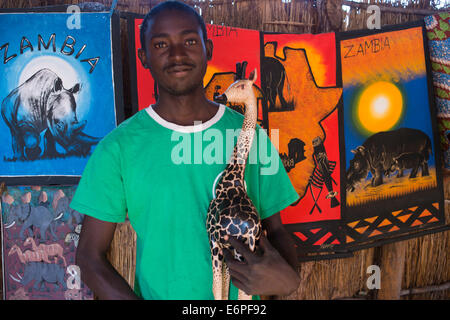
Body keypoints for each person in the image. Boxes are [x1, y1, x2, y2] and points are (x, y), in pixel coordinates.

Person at [71, 0, 301, 300]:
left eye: (189, 41)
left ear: (208, 49)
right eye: (161, 44)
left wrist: (288, 277)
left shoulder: (250, 136)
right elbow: (89, 257)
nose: (177, 54)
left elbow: (277, 229)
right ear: (144, 57)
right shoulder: (118, 149)